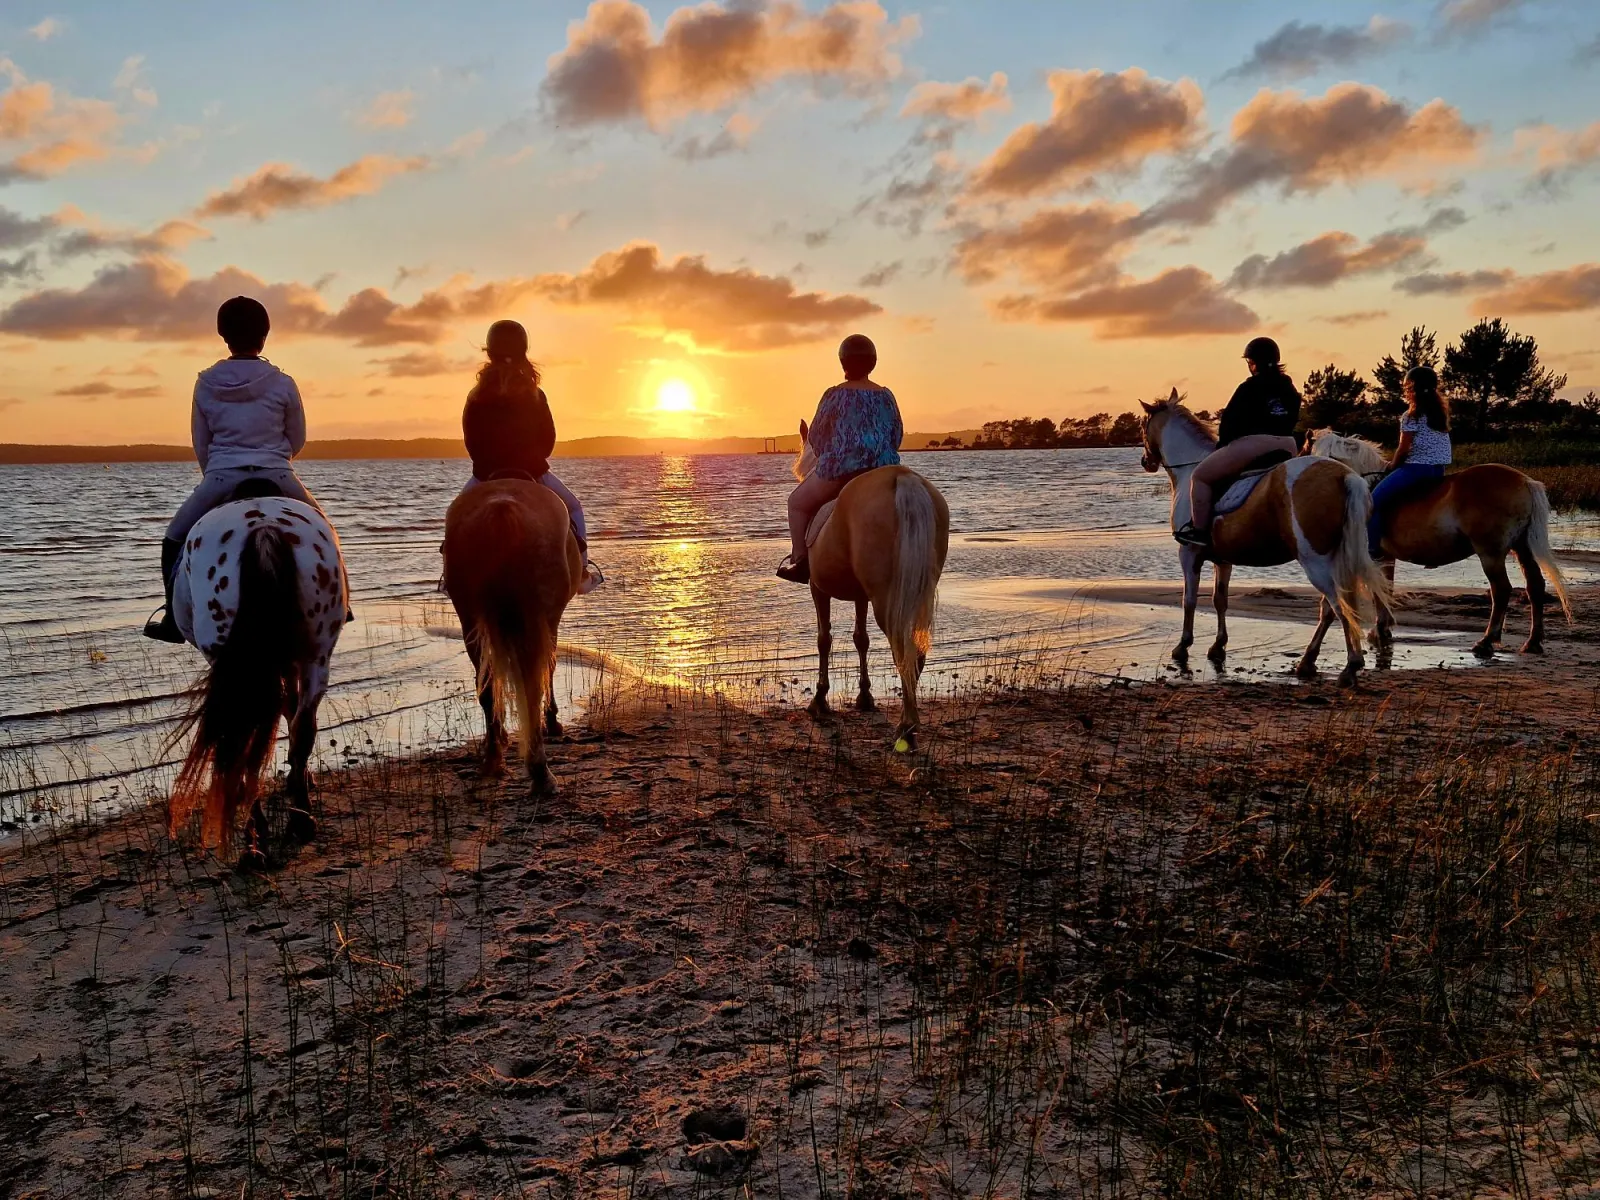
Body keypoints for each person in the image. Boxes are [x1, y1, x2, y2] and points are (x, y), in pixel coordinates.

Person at [143, 296, 326, 643]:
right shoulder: (283, 382)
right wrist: (277, 459)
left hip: (222, 475)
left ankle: (171, 617)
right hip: (278, 474)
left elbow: (201, 442)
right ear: (265, 335)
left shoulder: (206, 382)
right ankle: (341, 603)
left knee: (174, 537)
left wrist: (216, 475)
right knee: (324, 532)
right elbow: (297, 438)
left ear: (223, 335)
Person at [458, 319, 602, 594]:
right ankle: (582, 572)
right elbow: (548, 441)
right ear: (524, 351)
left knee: (454, 516)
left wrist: (489, 464)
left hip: (486, 477)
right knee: (573, 508)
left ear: (489, 354)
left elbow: (471, 442)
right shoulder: (535, 395)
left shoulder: (475, 396)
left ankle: (451, 578)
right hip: (532, 473)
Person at [776, 333, 903, 584]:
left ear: (843, 363)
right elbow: (896, 434)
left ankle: (800, 561)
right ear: (873, 363)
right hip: (883, 471)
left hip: (842, 469)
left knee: (796, 503)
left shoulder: (834, 395)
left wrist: (830, 456)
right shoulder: (886, 395)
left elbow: (817, 436)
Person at [1174, 336, 1302, 548]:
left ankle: (1199, 532)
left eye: (1249, 362)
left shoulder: (1249, 387)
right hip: (1288, 444)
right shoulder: (1288, 386)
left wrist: (1223, 446)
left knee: (1200, 477)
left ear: (1253, 363)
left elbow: (1230, 423)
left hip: (1254, 444)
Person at [1368, 365, 1451, 558]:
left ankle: (1371, 549)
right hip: (1438, 470)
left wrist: (1392, 466)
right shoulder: (1439, 413)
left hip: (1416, 469)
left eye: (1407, 389)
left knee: (1372, 502)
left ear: (1412, 389)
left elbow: (1404, 449)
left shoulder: (1410, 416)